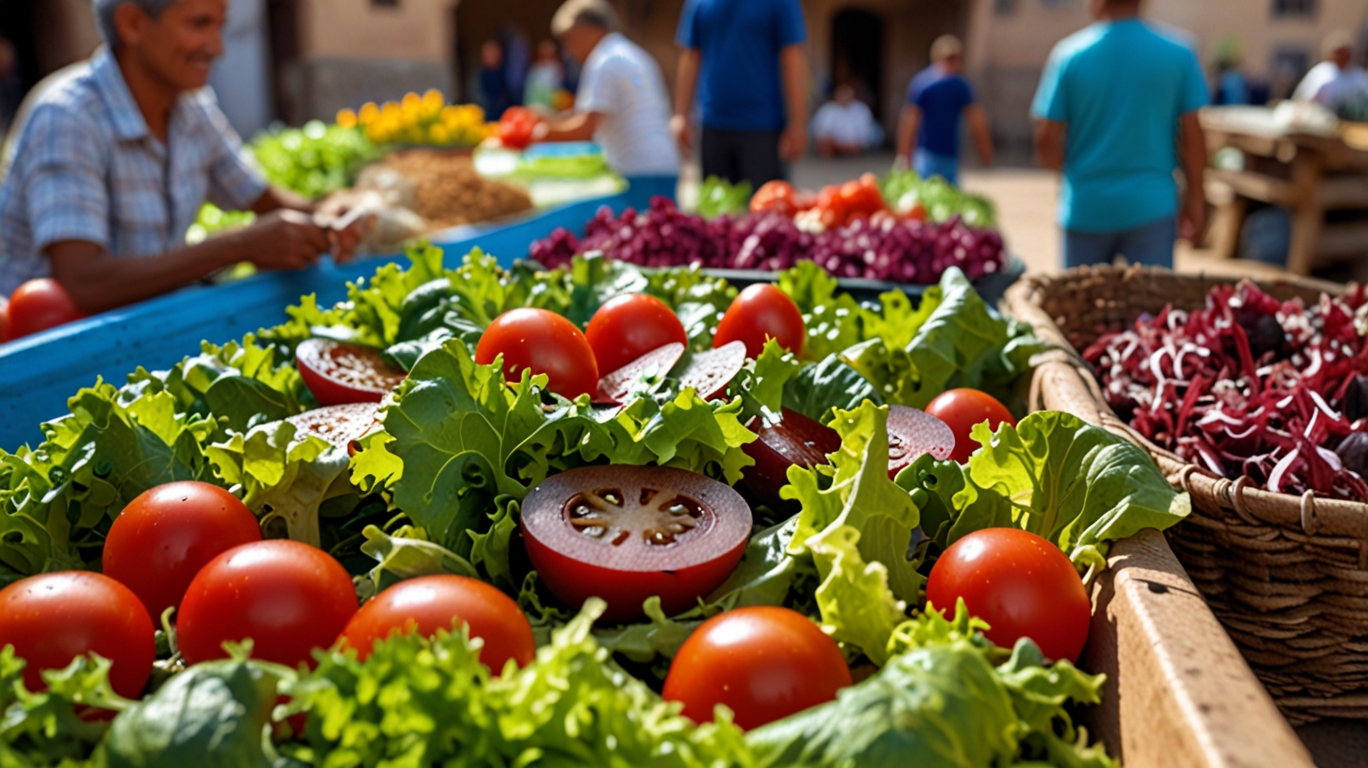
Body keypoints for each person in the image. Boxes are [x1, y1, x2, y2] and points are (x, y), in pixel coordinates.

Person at [0, 0, 358, 310]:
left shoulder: (191, 109)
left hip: (148, 327)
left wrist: (326, 213)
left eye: (220, 26)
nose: (217, 47)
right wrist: (236, 246)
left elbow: (262, 198)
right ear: (133, 24)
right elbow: (83, 281)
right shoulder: (68, 116)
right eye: (199, 24)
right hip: (46, 352)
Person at [1031, 0, 1209, 270]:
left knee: (1080, 306)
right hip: (1152, 207)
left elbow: (1046, 142)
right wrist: (1196, 197)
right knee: (1151, 309)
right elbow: (1193, 138)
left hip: (1086, 205)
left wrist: (1074, 173)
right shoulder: (1179, 53)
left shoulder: (1069, 55)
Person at [536, 0, 680, 196]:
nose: (568, 49)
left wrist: (539, 134)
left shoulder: (605, 60)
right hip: (663, 167)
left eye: (570, 38)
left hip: (640, 172)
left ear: (589, 30)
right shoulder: (626, 52)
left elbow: (586, 128)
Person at [673, 0, 808, 187]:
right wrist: (681, 115)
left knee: (767, 212)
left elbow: (792, 57)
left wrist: (798, 123)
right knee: (717, 213)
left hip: (763, 128)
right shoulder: (698, 2)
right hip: (713, 125)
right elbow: (690, 54)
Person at [896, 35, 993, 185]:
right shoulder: (959, 85)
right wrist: (985, 152)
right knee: (949, 202)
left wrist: (904, 155)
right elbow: (977, 120)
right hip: (942, 155)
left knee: (925, 198)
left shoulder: (922, 82)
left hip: (927, 155)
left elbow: (909, 122)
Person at [1293, 32, 1368, 112]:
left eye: (1346, 53)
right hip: (1323, 119)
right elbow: (1304, 100)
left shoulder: (1358, 74)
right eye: (1340, 53)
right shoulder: (1322, 72)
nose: (1343, 56)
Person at [812, 84, 878, 157]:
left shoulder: (861, 109)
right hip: (834, 144)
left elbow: (865, 131)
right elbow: (821, 131)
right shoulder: (828, 109)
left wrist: (851, 143)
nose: (844, 97)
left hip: (854, 144)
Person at [524, 40, 564, 113]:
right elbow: (530, 90)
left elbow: (559, 86)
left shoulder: (557, 67)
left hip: (554, 104)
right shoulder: (535, 69)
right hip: (536, 103)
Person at [479, 39, 514, 119]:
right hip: (487, 117)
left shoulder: (508, 73)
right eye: (487, 54)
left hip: (505, 116)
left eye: (493, 53)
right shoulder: (481, 76)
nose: (490, 57)